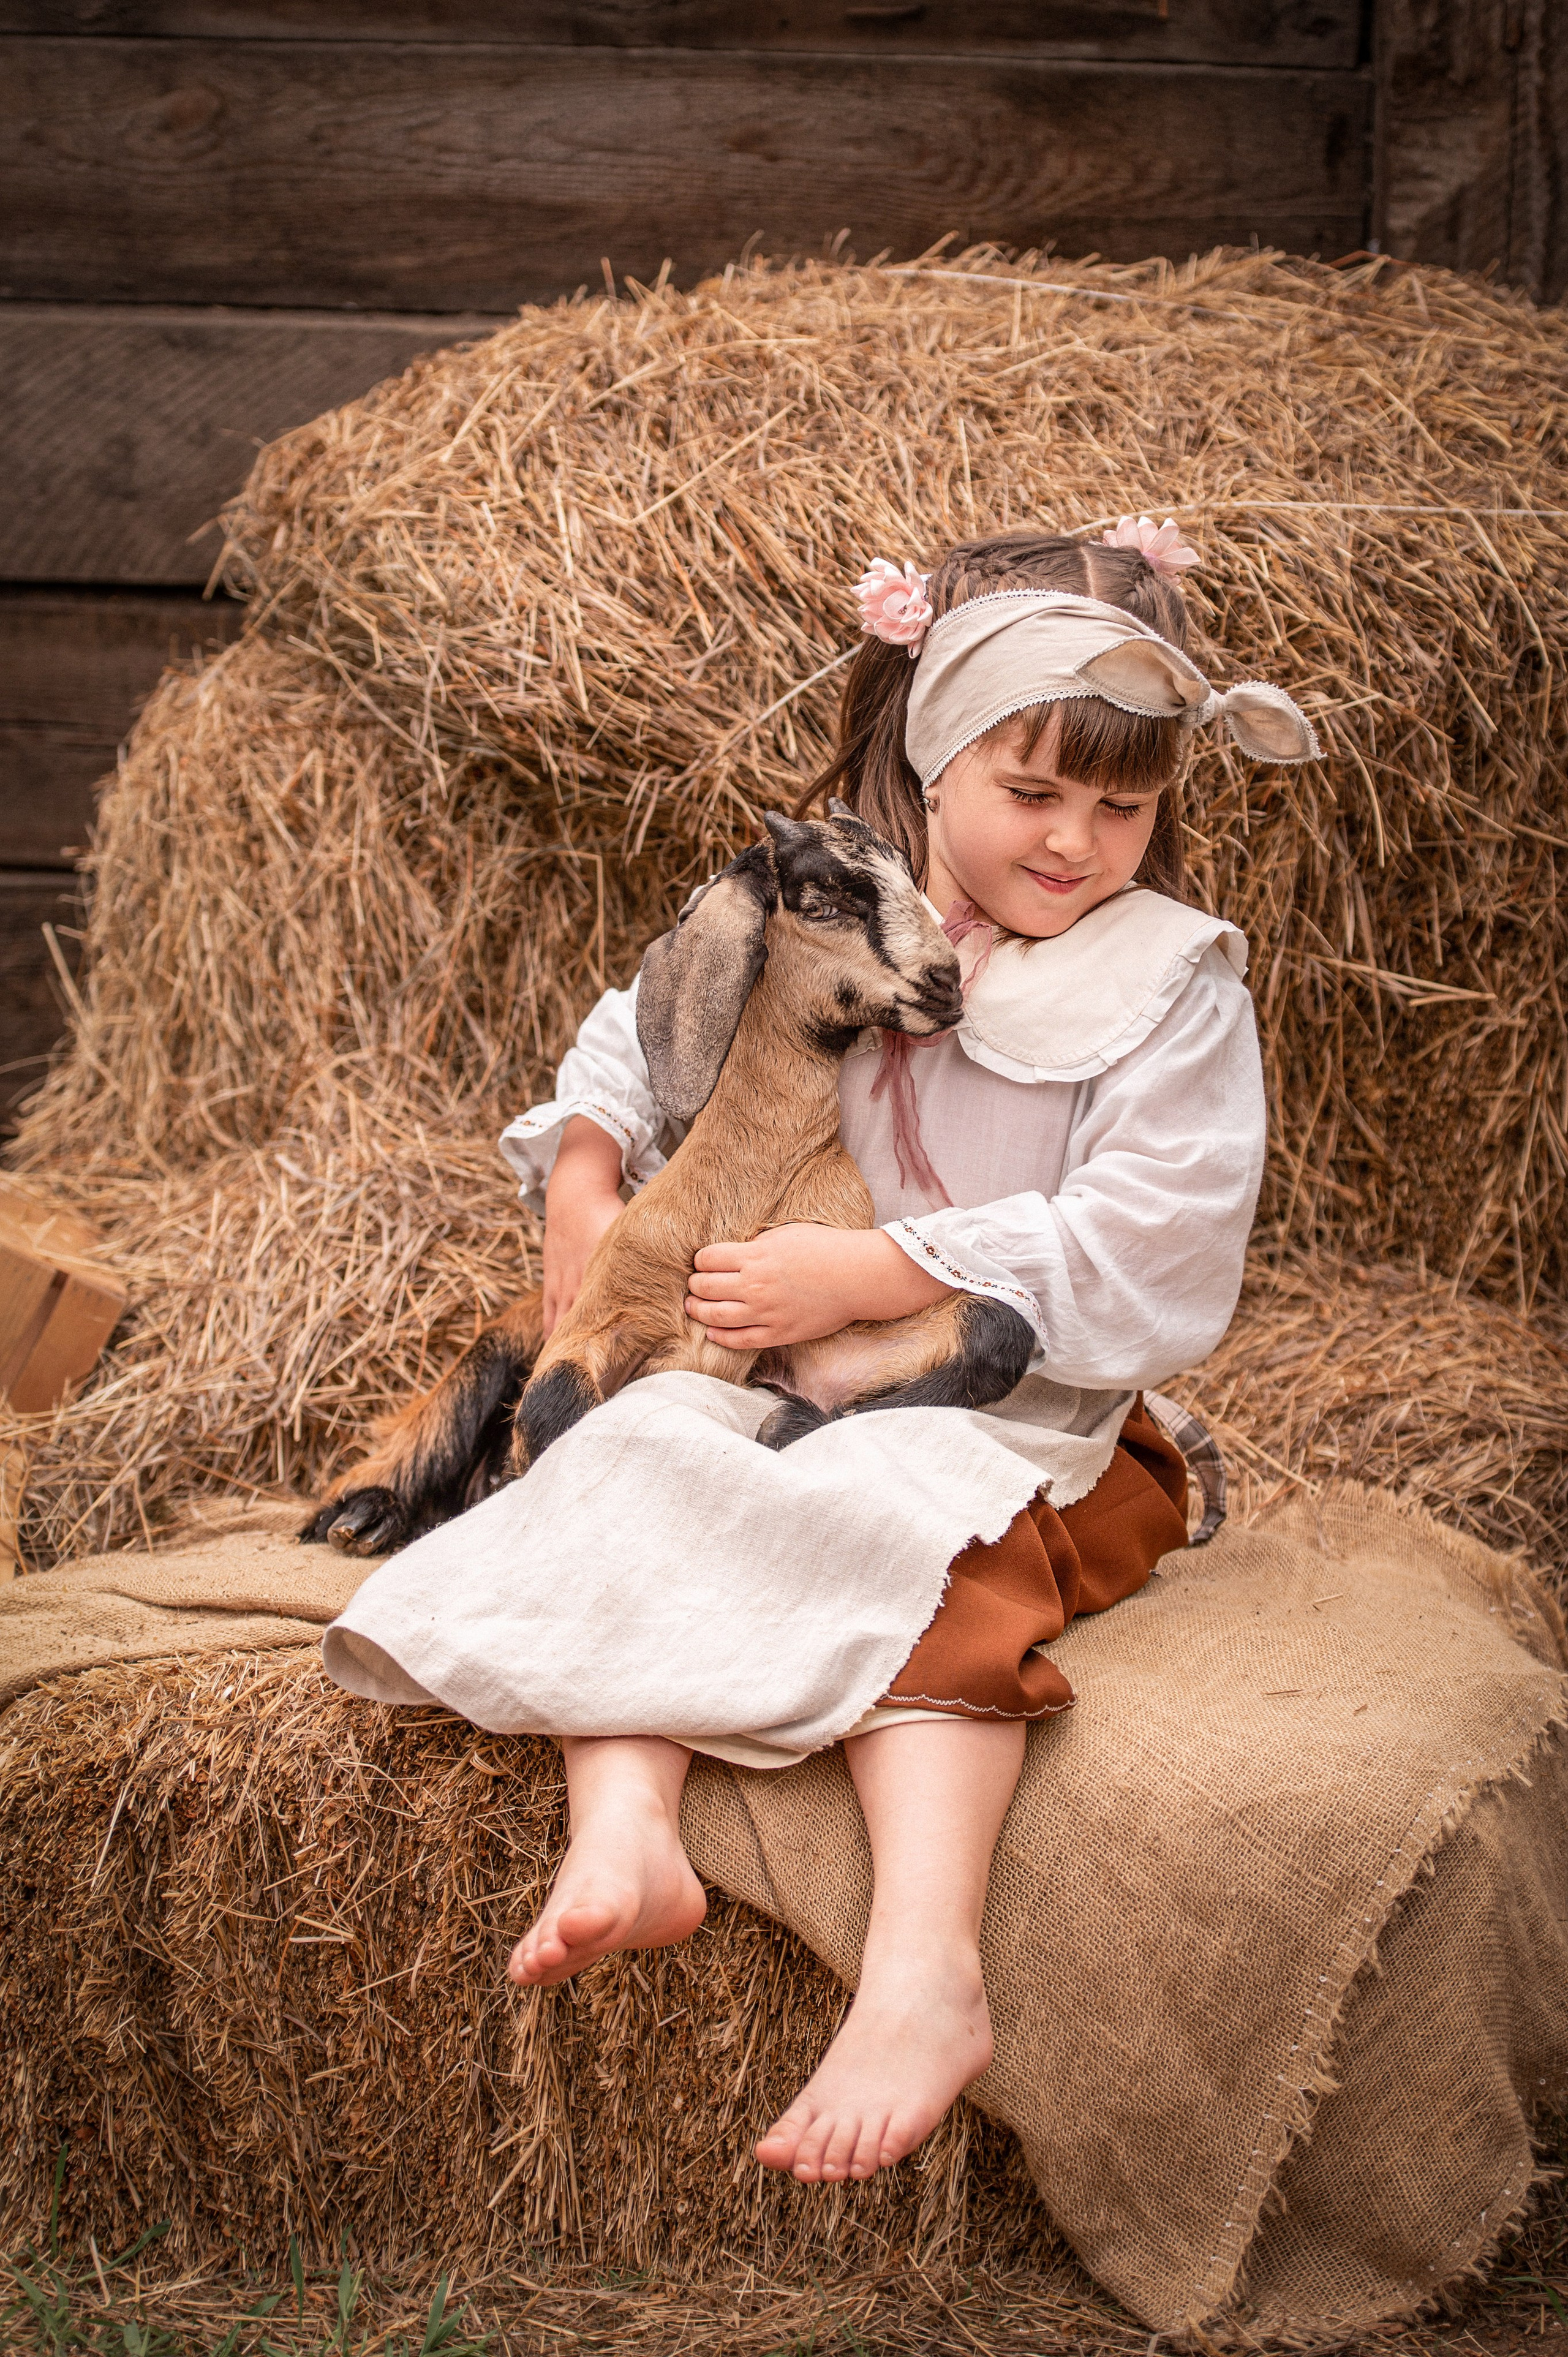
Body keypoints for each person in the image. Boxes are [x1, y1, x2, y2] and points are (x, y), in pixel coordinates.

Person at [325, 516, 1316, 2190]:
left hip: (1021, 1418)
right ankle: (626, 1826)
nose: (1076, 842)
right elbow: (645, 1033)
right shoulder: (830, 897)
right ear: (933, 758)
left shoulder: (1173, 986)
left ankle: (929, 1975)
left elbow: (1164, 1232)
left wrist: (882, 1265)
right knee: (631, 1459)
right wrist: (583, 1159)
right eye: (1031, 791)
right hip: (781, 1383)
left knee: (922, 1534)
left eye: (1122, 806)